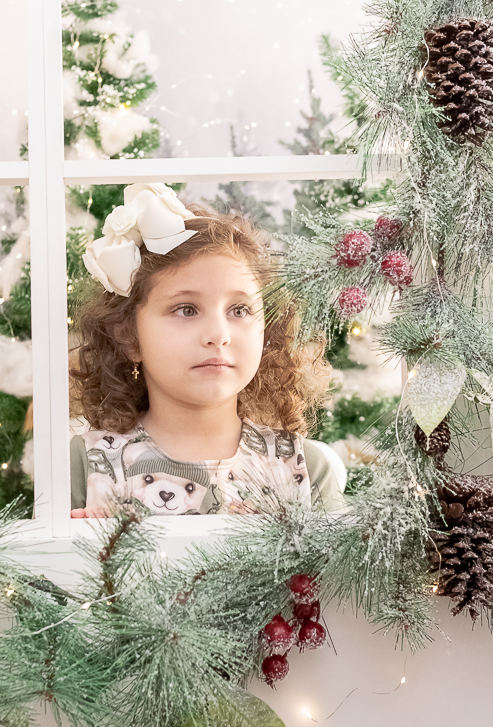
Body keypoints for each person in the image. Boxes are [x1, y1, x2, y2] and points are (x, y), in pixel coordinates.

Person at [69, 183, 343, 518]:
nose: (218, 335)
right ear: (130, 337)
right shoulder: (87, 463)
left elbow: (342, 572)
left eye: (239, 311)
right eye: (186, 309)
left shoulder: (305, 467)